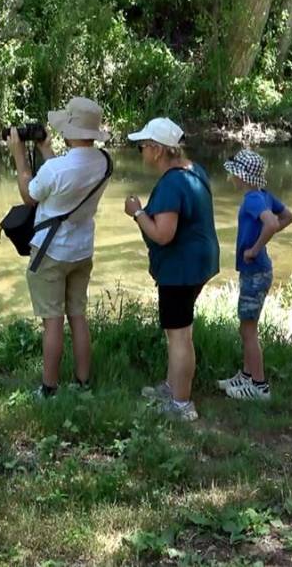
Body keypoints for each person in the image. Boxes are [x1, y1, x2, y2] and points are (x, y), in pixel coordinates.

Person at [7, 96, 111, 398]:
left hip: (51, 252)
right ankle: (82, 383)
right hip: (82, 251)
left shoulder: (57, 170)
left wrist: (19, 155)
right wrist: (46, 150)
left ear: (69, 131)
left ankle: (49, 389)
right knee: (77, 315)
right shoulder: (104, 162)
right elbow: (66, 178)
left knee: (52, 320)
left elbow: (30, 194)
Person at [124, 118, 219, 421]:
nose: (140, 152)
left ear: (156, 150)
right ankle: (172, 386)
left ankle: (181, 405)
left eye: (142, 146)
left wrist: (137, 212)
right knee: (179, 330)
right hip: (201, 262)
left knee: (179, 336)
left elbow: (163, 234)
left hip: (181, 269)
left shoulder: (171, 184)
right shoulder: (194, 170)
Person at [218, 149, 292, 401]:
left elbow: (272, 223)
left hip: (255, 271)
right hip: (260, 271)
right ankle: (246, 375)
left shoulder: (252, 199)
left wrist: (255, 248)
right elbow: (287, 217)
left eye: (234, 174)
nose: (231, 178)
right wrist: (264, 239)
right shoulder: (264, 195)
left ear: (243, 177)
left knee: (248, 330)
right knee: (246, 327)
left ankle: (259, 387)